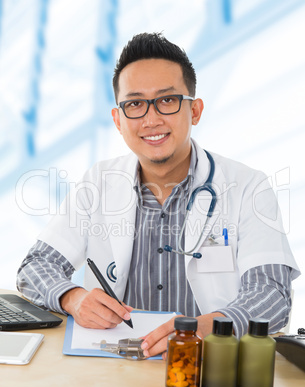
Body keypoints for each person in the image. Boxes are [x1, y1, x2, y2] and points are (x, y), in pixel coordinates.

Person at [17, 32, 300, 359]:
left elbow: (272, 296)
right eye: (135, 104)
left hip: (207, 366)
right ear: (118, 120)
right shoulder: (98, 183)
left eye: (167, 100)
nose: (151, 119)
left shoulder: (249, 186)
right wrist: (72, 297)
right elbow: (36, 267)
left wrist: (206, 328)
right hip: (114, 363)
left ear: (194, 111)